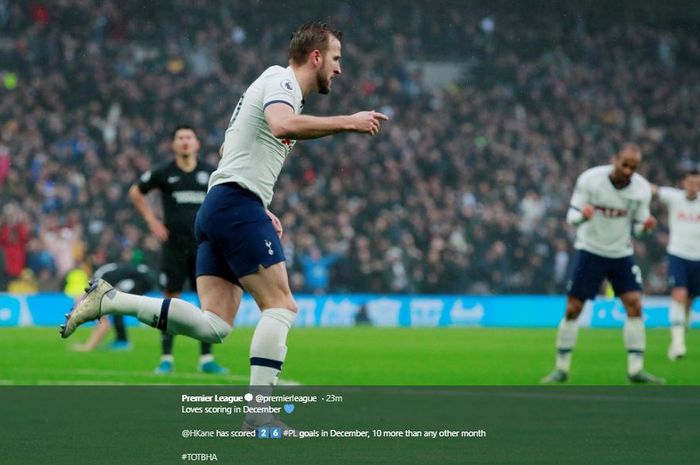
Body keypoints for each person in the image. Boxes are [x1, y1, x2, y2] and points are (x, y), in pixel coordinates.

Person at [61, 21, 388, 425]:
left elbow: (227, 146)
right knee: (281, 306)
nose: (339, 69)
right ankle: (258, 413)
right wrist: (348, 122)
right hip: (233, 205)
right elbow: (282, 127)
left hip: (225, 203)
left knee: (215, 326)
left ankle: (110, 301)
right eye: (336, 59)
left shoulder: (277, 91)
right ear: (316, 57)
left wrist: (256, 202)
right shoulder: (280, 81)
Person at [541, 143, 665, 384]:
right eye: (625, 164)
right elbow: (571, 216)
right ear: (615, 159)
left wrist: (646, 229)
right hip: (590, 251)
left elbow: (639, 230)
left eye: (634, 166)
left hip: (620, 253)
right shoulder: (590, 180)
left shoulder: (641, 190)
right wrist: (582, 216)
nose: (629, 170)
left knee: (635, 305)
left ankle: (636, 370)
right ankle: (561, 368)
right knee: (573, 308)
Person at [128, 125, 227, 374]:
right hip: (173, 247)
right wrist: (152, 221)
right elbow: (136, 192)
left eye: (188, 137)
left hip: (202, 246)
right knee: (171, 302)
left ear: (197, 144)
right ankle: (166, 358)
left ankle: (206, 360)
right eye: (180, 138)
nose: (184, 142)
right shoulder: (164, 172)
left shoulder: (209, 172)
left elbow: (225, 197)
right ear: (173, 144)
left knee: (207, 303)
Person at [651, 169, 700, 361]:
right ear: (684, 182)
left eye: (697, 183)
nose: (694, 186)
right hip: (678, 255)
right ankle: (678, 345)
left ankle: (677, 338)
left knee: (688, 301)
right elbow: (653, 190)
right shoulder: (674, 197)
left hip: (698, 258)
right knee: (679, 294)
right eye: (691, 182)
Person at [70, 259, 157, 352]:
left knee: (116, 304)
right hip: (144, 275)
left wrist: (88, 347)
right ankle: (121, 340)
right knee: (115, 302)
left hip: (144, 279)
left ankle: (122, 341)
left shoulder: (97, 286)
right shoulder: (99, 277)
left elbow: (104, 324)